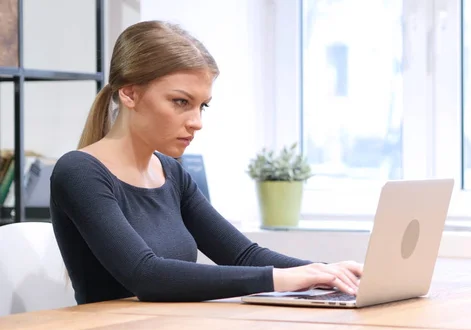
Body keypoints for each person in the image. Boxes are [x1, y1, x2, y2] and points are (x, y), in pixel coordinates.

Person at [49, 20, 363, 305]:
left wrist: (325, 272)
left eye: (202, 106)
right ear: (130, 93)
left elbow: (243, 255)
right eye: (180, 102)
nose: (196, 122)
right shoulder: (79, 172)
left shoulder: (171, 173)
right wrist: (283, 279)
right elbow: (145, 275)